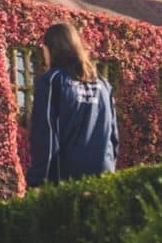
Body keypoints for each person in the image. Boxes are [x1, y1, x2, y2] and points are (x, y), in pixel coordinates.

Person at [26, 22, 119, 188]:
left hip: (67, 181)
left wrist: (37, 182)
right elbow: (113, 138)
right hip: (104, 179)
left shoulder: (52, 81)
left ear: (49, 50)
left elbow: (45, 135)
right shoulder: (104, 85)